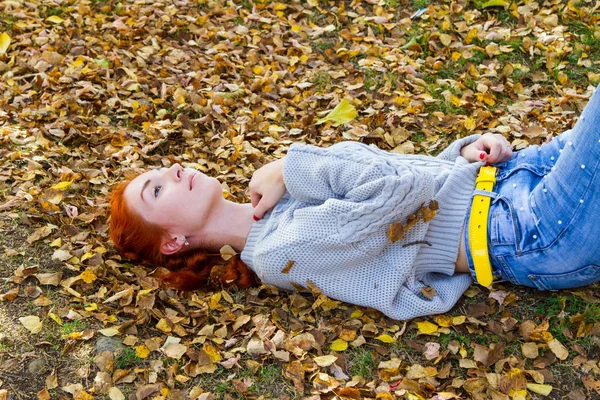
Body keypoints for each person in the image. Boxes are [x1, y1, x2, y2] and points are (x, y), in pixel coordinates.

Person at [110, 86, 600, 321]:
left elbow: (408, 195)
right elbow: (392, 194)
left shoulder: (279, 203)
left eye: (163, 170)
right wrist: (288, 165)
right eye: (156, 189)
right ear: (173, 240)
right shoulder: (281, 253)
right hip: (526, 231)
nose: (173, 171)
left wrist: (463, 156)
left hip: (515, 178)